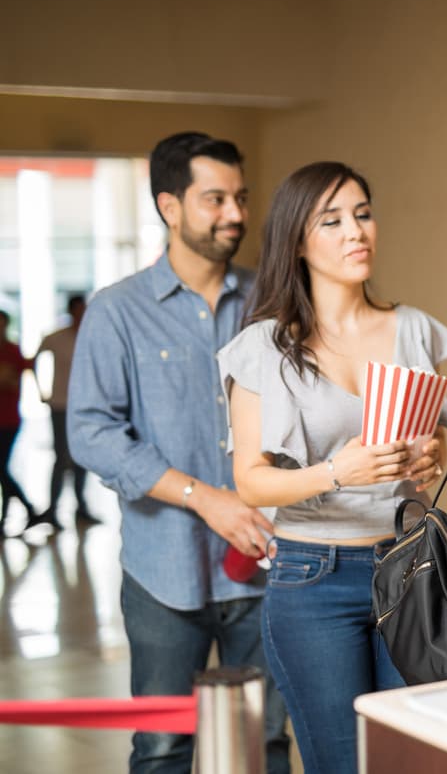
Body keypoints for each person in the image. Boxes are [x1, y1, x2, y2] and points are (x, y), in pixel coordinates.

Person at [219, 161, 447, 774]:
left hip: (408, 569)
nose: (357, 232)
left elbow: (429, 444)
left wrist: (427, 455)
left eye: (363, 214)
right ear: (298, 242)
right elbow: (250, 480)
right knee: (339, 764)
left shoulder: (413, 329)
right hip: (312, 578)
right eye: (332, 221)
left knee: (412, 759)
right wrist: (337, 472)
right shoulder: (263, 347)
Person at [68, 132, 291, 774]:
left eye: (240, 198)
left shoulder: (271, 304)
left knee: (267, 742)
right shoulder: (117, 312)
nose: (236, 214)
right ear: (170, 206)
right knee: (165, 748)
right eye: (215, 198)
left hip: (268, 565)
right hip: (164, 573)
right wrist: (205, 497)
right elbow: (91, 431)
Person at [31, 294, 98, 529]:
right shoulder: (57, 337)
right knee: (62, 458)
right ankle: (53, 510)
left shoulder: (92, 336)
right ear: (71, 311)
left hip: (86, 406)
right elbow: (33, 360)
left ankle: (81, 507)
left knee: (82, 458)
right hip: (60, 405)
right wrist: (41, 391)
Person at [0, 309, 38, 536]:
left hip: (8, 419)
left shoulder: (13, 350)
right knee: (2, 471)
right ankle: (24, 511)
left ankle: (12, 515)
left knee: (2, 470)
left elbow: (17, 378)